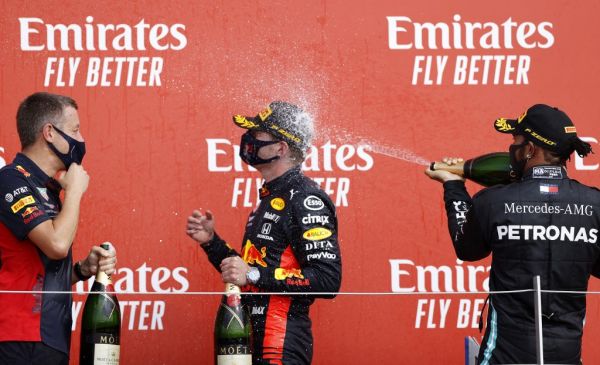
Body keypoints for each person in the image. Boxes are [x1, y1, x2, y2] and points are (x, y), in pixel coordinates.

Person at [425, 104, 599, 364]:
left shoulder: (494, 201)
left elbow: (467, 250)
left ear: (530, 149)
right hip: (567, 358)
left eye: (516, 141)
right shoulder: (595, 205)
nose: (511, 149)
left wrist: (453, 186)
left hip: (503, 357)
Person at [186, 101, 342, 364]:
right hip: (249, 336)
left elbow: (327, 279)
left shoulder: (305, 198)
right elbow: (249, 272)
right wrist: (212, 242)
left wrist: (253, 273)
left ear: (280, 148)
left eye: (258, 136)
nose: (249, 140)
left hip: (280, 340)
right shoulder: (271, 197)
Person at [0, 92, 117, 365]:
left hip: (49, 337)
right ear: (49, 132)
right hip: (18, 338)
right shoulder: (10, 180)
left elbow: (37, 271)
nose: (82, 140)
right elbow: (56, 246)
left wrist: (81, 270)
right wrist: (75, 192)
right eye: (75, 130)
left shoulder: (47, 188)